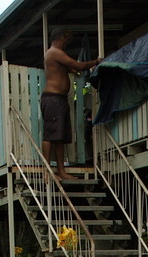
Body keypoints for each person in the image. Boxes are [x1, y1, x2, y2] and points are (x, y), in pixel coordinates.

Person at [42, 29, 101, 181]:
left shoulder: (54, 56)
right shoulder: (54, 52)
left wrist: (70, 69)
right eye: (66, 40)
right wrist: (96, 62)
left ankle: (61, 171)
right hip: (52, 98)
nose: (66, 44)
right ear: (61, 37)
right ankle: (46, 171)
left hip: (59, 99)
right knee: (50, 135)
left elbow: (67, 67)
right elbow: (78, 65)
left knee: (59, 136)